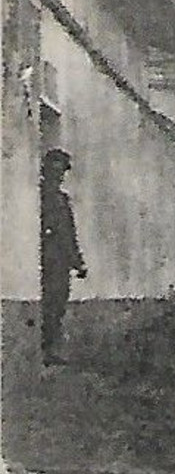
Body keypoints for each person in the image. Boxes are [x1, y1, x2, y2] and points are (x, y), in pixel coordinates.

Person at [39, 148, 86, 367]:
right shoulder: (41, 197)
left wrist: (77, 261)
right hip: (46, 260)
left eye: (61, 172)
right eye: (54, 170)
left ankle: (52, 347)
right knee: (49, 303)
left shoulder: (62, 200)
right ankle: (46, 348)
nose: (58, 175)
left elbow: (69, 233)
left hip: (61, 261)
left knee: (59, 302)